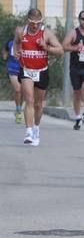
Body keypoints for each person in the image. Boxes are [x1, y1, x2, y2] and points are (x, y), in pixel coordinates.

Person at [13, 9, 64, 146]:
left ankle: (36, 127)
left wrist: (46, 47)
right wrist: (16, 51)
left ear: (41, 21)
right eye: (32, 23)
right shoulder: (21, 31)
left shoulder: (46, 34)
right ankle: (28, 132)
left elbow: (60, 50)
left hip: (41, 71)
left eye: (38, 23)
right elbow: (16, 41)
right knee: (29, 99)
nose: (35, 26)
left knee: (38, 104)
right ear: (28, 21)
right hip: (26, 70)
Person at [2, 36, 23, 123]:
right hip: (12, 69)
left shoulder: (26, 43)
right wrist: (5, 55)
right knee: (18, 89)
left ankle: (19, 108)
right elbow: (5, 50)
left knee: (23, 91)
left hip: (23, 69)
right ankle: (18, 111)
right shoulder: (10, 43)